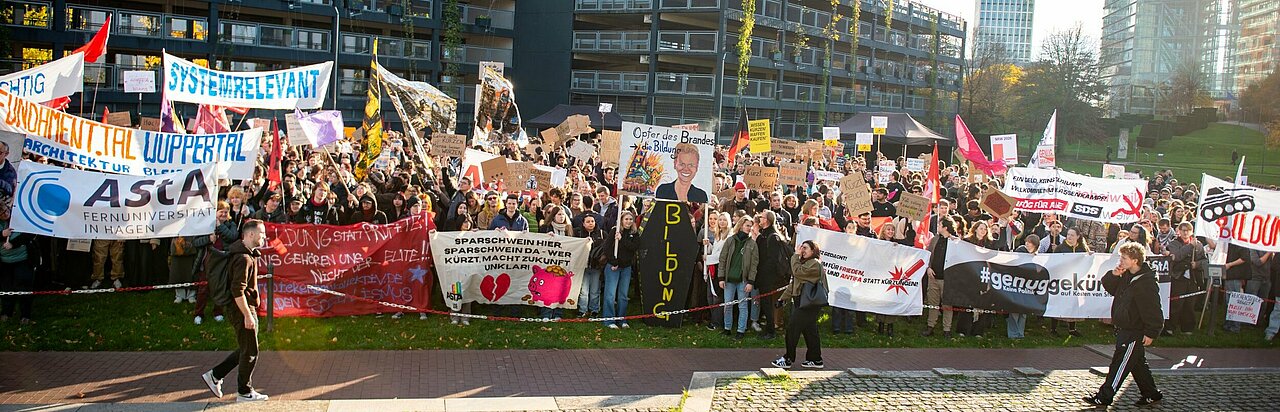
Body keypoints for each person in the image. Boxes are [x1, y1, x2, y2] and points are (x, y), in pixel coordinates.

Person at [1082, 242, 1164, 407]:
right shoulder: (1126, 275)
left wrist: (1151, 332)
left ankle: (1104, 396)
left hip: (1134, 330)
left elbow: (1153, 309)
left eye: (1124, 258)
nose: (1121, 260)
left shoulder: (1146, 282)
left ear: (1135, 260)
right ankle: (1151, 393)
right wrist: (1114, 274)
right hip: (1124, 327)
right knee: (1137, 363)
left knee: (1120, 363)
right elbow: (1111, 288)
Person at [202, 219, 269, 402]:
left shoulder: (245, 253)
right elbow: (237, 289)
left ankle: (215, 375)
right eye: (262, 233)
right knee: (250, 352)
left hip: (243, 308)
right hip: (241, 309)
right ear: (250, 234)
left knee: (246, 348)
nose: (264, 237)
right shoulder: (243, 258)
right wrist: (247, 314)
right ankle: (244, 391)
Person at [771, 240, 826, 369]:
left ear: (813, 251)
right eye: (801, 247)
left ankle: (788, 358)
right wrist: (782, 299)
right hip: (801, 301)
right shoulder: (804, 264)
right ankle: (816, 359)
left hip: (809, 304)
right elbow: (794, 285)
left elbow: (797, 272)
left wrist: (795, 256)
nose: (802, 250)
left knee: (792, 329)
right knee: (810, 331)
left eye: (805, 248)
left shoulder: (814, 264)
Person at [718, 216, 758, 340]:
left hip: (743, 280)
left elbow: (754, 264)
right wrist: (721, 277)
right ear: (740, 225)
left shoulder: (752, 244)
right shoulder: (730, 241)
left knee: (743, 306)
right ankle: (727, 328)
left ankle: (741, 330)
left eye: (750, 226)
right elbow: (723, 259)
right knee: (728, 304)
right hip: (729, 279)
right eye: (747, 225)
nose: (749, 228)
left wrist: (750, 281)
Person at [921, 216, 958, 338]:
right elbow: (928, 254)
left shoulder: (955, 242)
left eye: (939, 225)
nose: (937, 227)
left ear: (945, 227)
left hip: (947, 279)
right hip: (933, 277)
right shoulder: (935, 239)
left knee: (947, 305)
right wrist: (928, 268)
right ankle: (930, 326)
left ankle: (946, 329)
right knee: (933, 303)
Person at [602, 210, 639, 329]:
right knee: (610, 295)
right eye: (626, 219)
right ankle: (609, 320)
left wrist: (622, 239)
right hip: (613, 267)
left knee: (623, 295)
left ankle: (621, 319)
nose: (628, 221)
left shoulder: (634, 233)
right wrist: (613, 261)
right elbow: (606, 248)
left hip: (626, 268)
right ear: (621, 220)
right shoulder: (615, 231)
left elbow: (633, 247)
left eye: (630, 219)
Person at [1007, 234, 1041, 339]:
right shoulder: (1021, 250)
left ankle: (1020, 333)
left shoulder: (1038, 256)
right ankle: (1012, 334)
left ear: (1035, 245)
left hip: (1028, 287)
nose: (1027, 244)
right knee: (1015, 311)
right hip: (1017, 285)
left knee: (1024, 312)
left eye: (1030, 242)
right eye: (1027, 241)